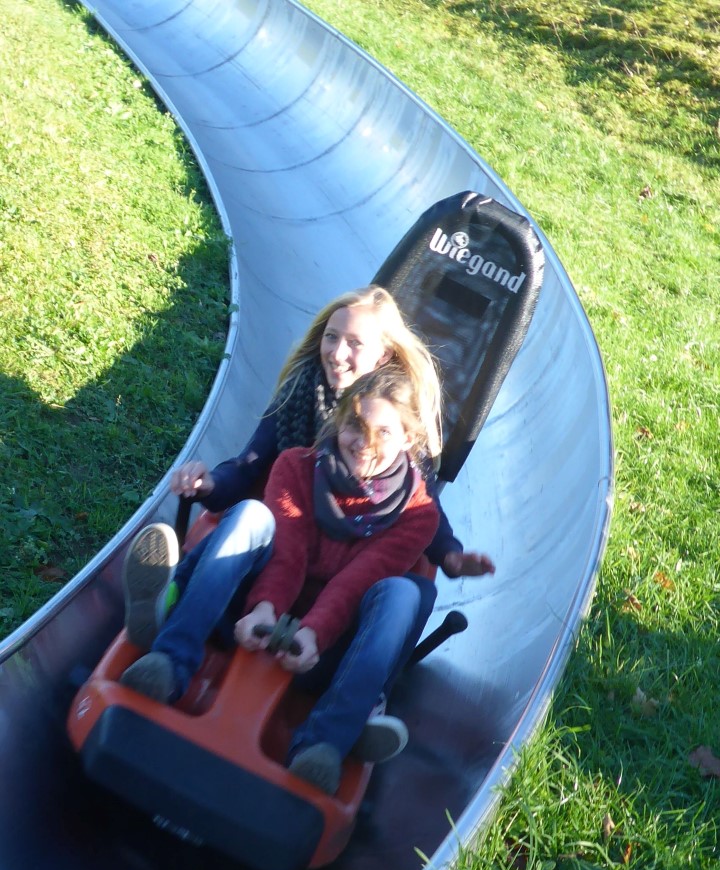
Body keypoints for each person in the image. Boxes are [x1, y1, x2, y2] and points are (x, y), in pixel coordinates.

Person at [122, 366, 443, 795]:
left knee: (405, 593)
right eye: (354, 423)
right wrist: (264, 608)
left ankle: (326, 743)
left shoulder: (418, 515)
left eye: (383, 432)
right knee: (250, 515)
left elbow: (359, 579)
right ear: (340, 419)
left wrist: (314, 633)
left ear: (408, 439)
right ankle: (168, 659)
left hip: (329, 650)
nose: (364, 443)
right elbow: (289, 551)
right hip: (247, 612)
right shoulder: (296, 466)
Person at [123, 286, 494, 655]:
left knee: (412, 590)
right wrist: (210, 483)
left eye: (354, 343)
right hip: (283, 547)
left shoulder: (395, 424)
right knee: (245, 519)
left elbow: (422, 506)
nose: (337, 353)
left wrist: (450, 556)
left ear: (383, 356)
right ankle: (171, 604)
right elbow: (248, 465)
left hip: (345, 568)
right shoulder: (300, 394)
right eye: (331, 337)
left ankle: (362, 675)